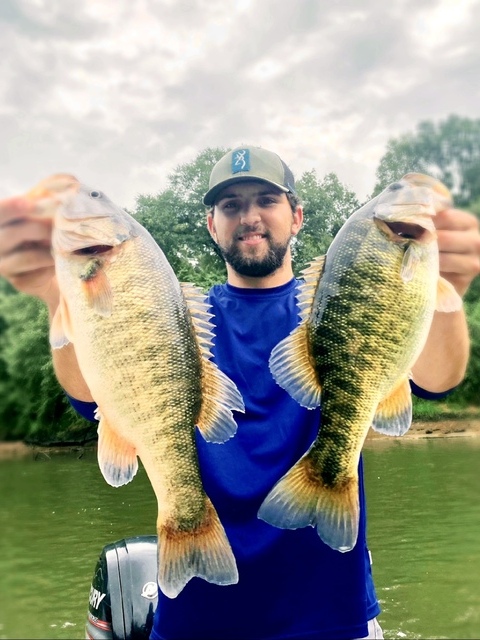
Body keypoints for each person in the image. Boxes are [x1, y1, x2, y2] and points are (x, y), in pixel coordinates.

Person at [0, 147, 479, 640]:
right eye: (231, 206)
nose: (249, 216)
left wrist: (446, 286)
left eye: (265, 200)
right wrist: (59, 296)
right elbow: (93, 397)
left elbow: (438, 379)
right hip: (195, 622)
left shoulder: (334, 307)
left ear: (295, 216)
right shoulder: (178, 325)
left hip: (331, 617)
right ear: (212, 225)